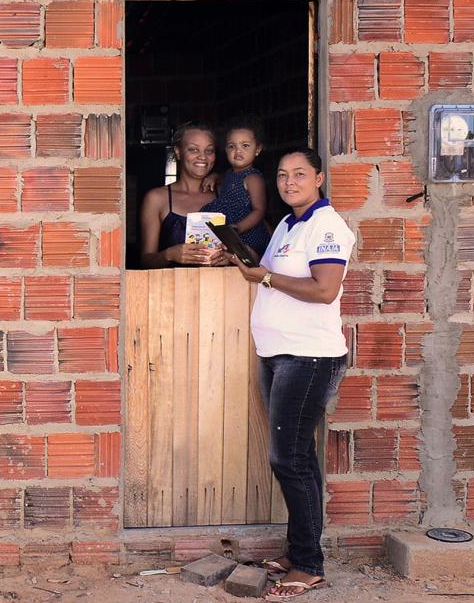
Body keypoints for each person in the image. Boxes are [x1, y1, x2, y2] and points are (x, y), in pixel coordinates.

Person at [224, 148, 355, 601]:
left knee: (289, 458)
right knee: (299, 457)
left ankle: (307, 564)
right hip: (279, 354)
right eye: (282, 175)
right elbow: (272, 272)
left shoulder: (327, 225)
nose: (288, 181)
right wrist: (245, 263)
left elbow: (323, 290)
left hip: (309, 357)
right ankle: (300, 550)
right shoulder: (286, 224)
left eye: (300, 174)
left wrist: (263, 278)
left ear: (319, 177)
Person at [138, 121, 228, 268]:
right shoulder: (157, 198)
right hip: (172, 287)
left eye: (209, 151)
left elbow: (256, 245)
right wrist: (169, 255)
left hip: (220, 286)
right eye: (193, 150)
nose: (203, 157)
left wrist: (230, 258)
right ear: (178, 152)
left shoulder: (224, 193)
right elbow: (145, 260)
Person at [202, 115, 273, 257]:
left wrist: (239, 228)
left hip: (247, 233)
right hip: (231, 233)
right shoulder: (229, 174)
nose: (238, 151)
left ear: (257, 149)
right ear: (226, 150)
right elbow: (226, 180)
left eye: (245, 145)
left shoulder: (253, 178)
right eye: (232, 146)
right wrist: (214, 176)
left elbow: (259, 210)